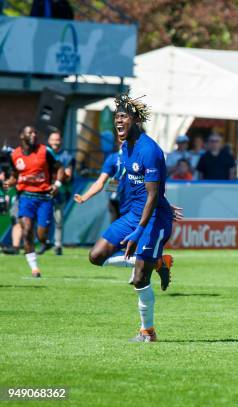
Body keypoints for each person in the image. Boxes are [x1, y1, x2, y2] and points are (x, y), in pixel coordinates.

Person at [86, 93, 175, 342]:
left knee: (138, 278)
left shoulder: (150, 150)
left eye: (123, 116)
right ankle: (158, 262)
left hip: (153, 218)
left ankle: (148, 331)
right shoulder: (124, 148)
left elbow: (153, 195)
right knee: (96, 256)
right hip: (133, 214)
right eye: (116, 117)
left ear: (135, 119)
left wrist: (140, 229)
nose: (118, 121)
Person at [3, 125, 64, 277]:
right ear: (22, 136)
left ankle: (44, 241)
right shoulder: (15, 154)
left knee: (41, 236)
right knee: (26, 230)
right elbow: (15, 175)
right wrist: (10, 182)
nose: (34, 135)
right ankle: (34, 268)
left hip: (44, 198)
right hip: (25, 197)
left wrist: (57, 184)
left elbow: (60, 167)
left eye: (35, 132)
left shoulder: (45, 151)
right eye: (30, 132)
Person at [74, 150, 129, 222]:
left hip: (134, 199)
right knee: (116, 222)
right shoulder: (113, 158)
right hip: (115, 191)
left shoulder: (141, 154)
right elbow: (100, 181)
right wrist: (84, 197)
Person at [47, 130, 75, 255]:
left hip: (60, 191)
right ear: (49, 141)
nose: (56, 142)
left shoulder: (67, 156)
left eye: (58, 140)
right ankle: (43, 242)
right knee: (43, 218)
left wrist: (60, 173)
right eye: (53, 139)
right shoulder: (44, 154)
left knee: (58, 219)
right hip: (43, 191)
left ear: (61, 142)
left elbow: (68, 176)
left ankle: (58, 245)